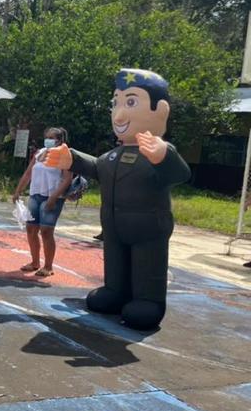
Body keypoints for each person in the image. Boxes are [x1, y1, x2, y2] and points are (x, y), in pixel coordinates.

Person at [44, 69, 191, 330]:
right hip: (114, 226)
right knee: (115, 261)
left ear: (161, 111)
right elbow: (97, 166)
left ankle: (149, 301)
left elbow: (180, 173)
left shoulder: (158, 154)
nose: (119, 114)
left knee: (148, 265)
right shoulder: (113, 155)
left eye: (131, 102)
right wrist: (74, 159)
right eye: (116, 103)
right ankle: (115, 291)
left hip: (147, 228)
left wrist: (164, 155)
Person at [12, 128, 73, 278]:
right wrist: (18, 190)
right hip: (35, 195)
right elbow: (28, 173)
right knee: (31, 229)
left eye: (51, 137)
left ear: (59, 140)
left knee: (46, 231)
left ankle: (48, 266)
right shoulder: (39, 153)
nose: (48, 140)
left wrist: (53, 198)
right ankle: (34, 262)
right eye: (46, 137)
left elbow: (67, 179)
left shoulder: (65, 155)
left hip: (52, 197)